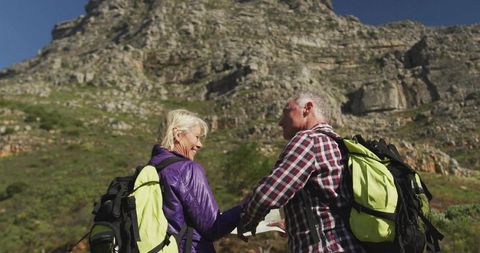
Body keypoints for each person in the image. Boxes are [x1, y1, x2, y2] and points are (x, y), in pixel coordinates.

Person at [238, 92, 365, 253]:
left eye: (286, 112)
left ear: (307, 108)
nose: (280, 122)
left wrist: (246, 220)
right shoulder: (339, 144)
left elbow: (267, 195)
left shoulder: (308, 140)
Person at [150, 109, 243, 253]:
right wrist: (245, 208)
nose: (200, 144)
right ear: (178, 135)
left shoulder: (151, 168)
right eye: (197, 137)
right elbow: (214, 228)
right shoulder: (187, 170)